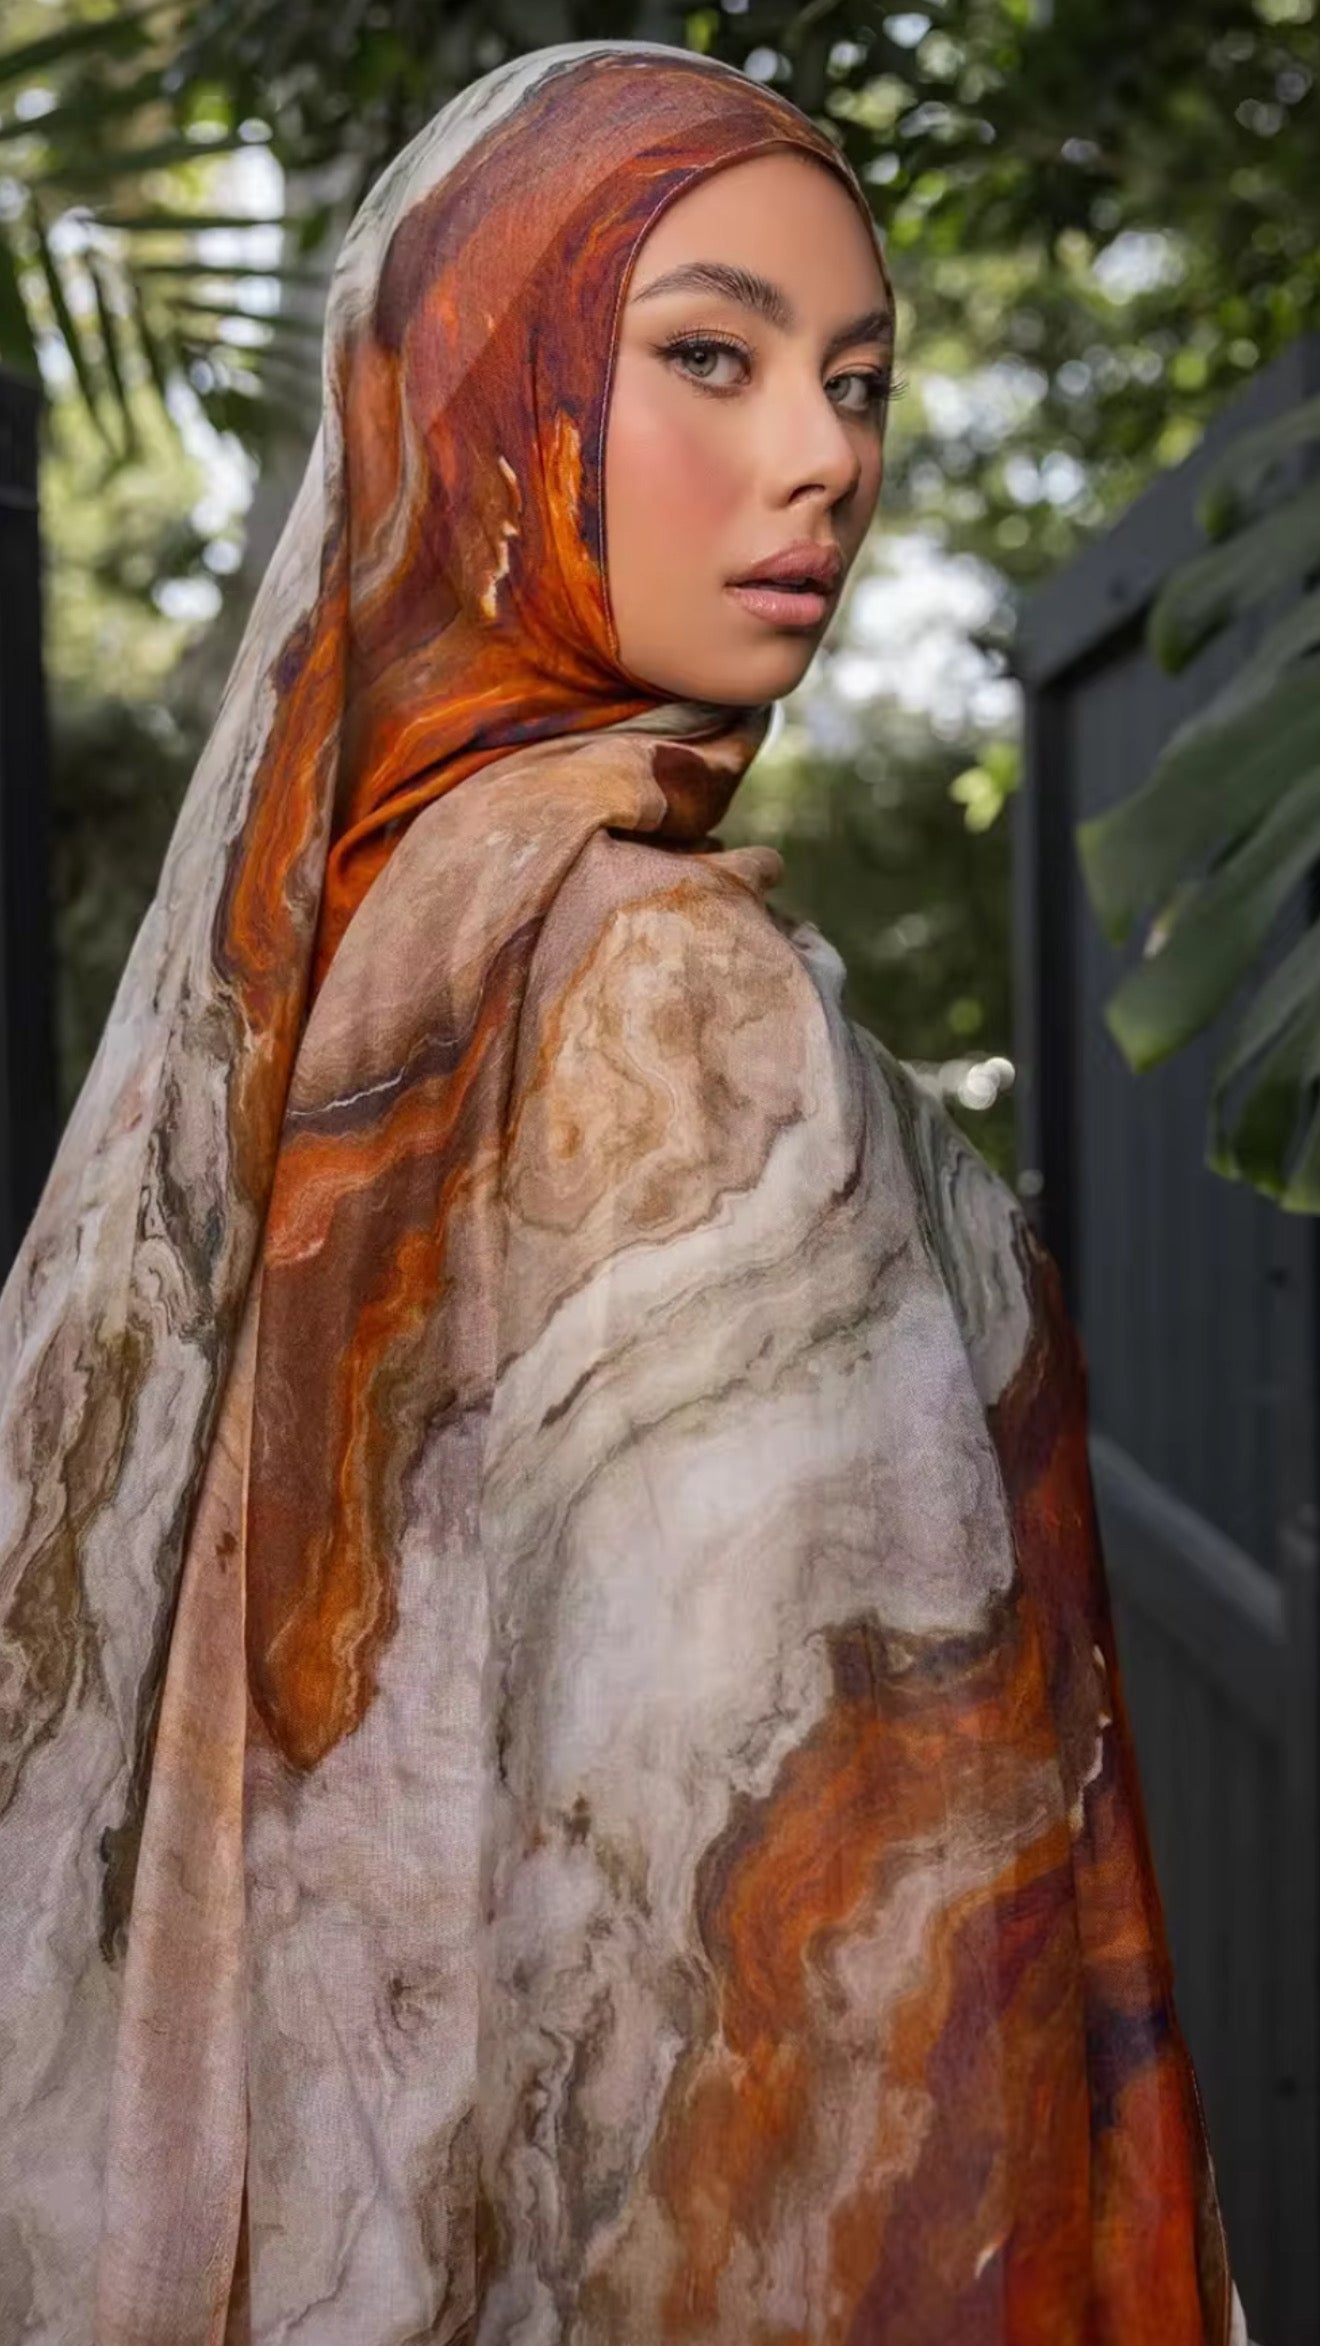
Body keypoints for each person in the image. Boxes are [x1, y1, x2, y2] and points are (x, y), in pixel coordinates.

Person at [0, 38, 1249, 2346]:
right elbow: (809, 1990)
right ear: (485, 402)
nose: (827, 458)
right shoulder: (670, 990)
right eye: (709, 356)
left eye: (858, 382)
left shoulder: (340, 950)